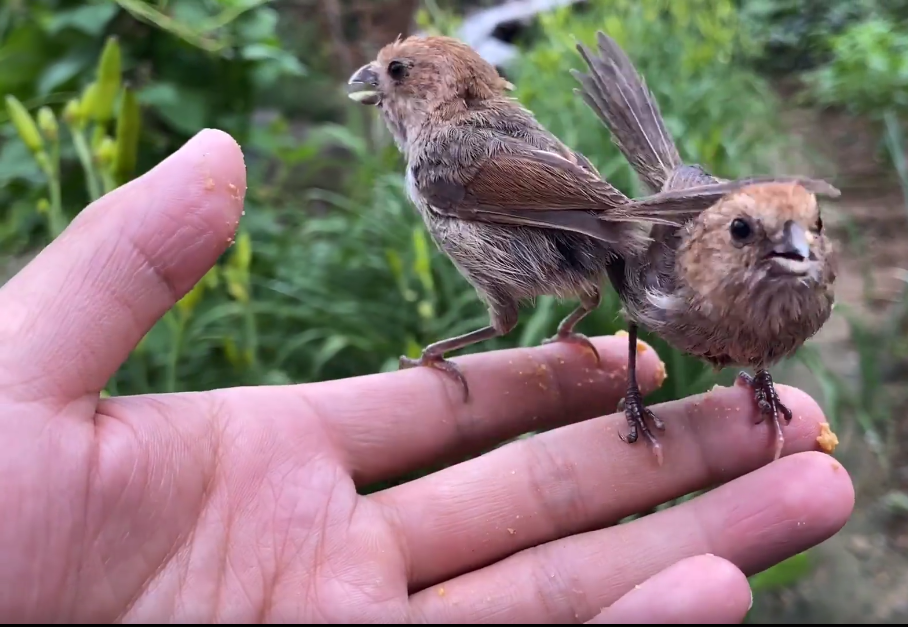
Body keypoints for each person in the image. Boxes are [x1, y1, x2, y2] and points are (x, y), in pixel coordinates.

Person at [0, 129, 854, 623]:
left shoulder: (803, 270)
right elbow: (637, 286)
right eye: (767, 236)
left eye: (812, 232)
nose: (803, 249)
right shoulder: (686, 260)